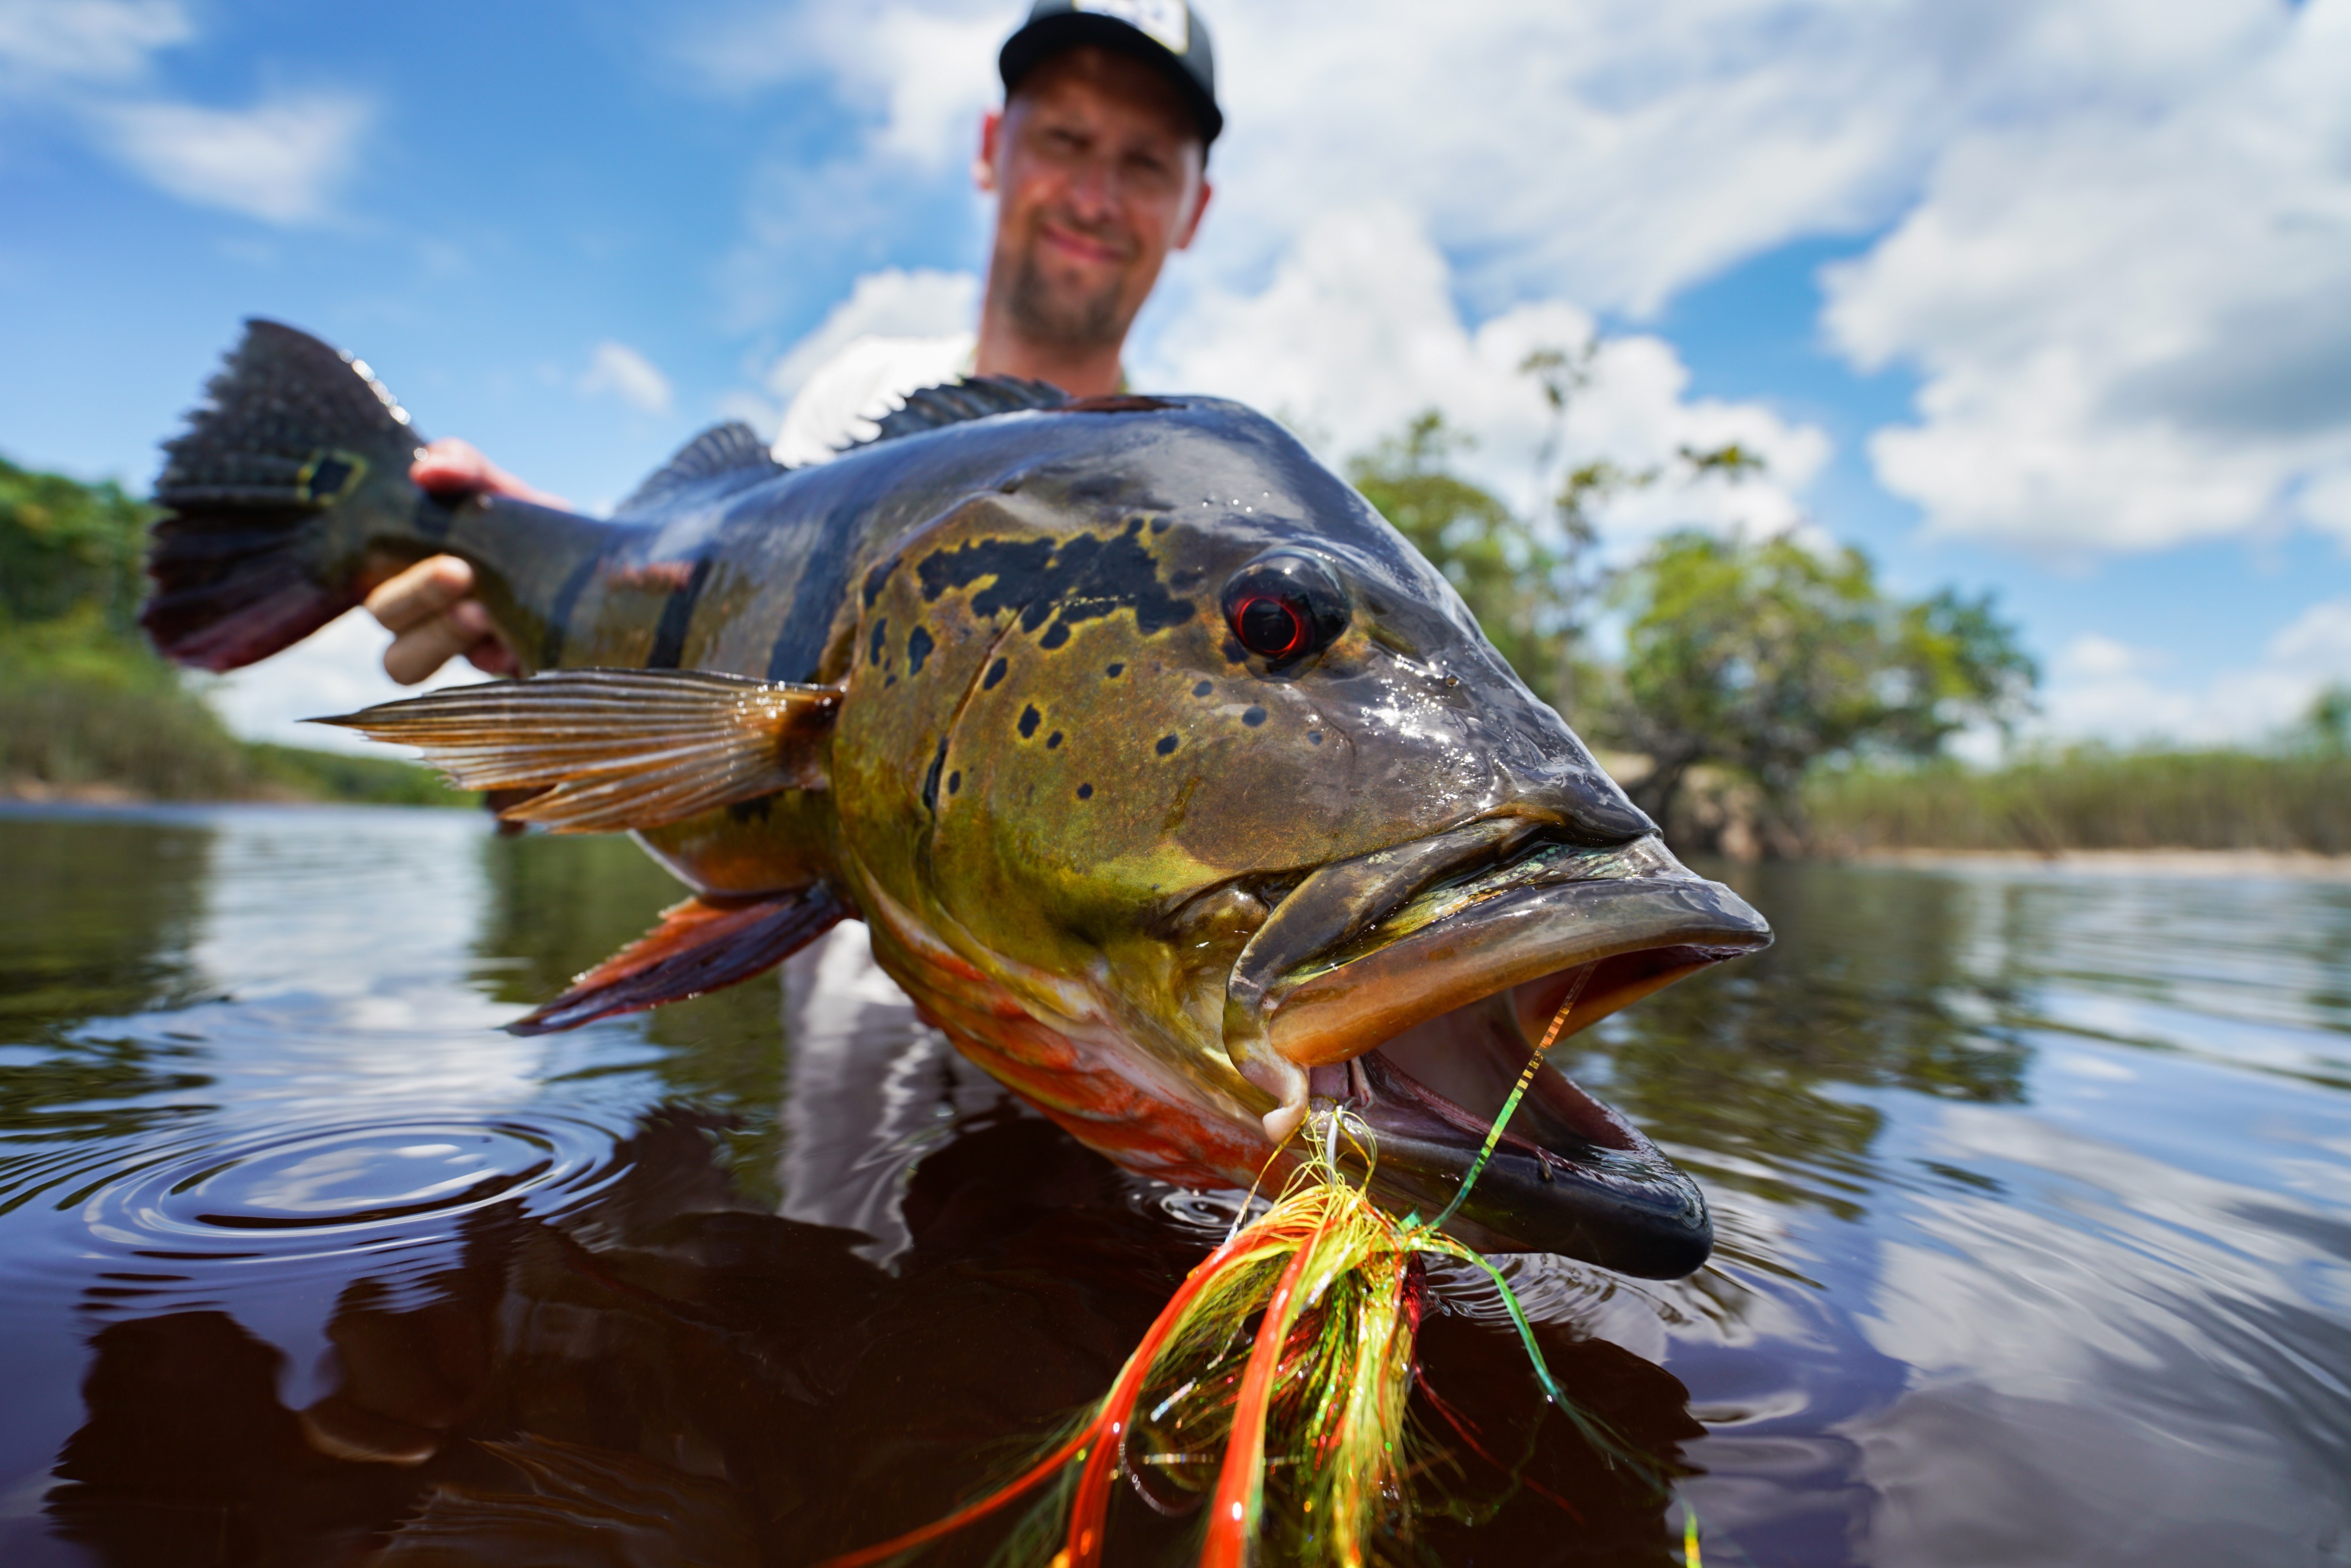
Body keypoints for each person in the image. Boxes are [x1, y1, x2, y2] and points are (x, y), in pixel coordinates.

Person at [365, 0, 1219, 685]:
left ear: (1195, 212)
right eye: (1063, 139)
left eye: (1145, 164)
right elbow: (720, 613)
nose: (1095, 197)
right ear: (992, 149)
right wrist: (539, 576)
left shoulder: (1197, 512)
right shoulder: (859, 388)